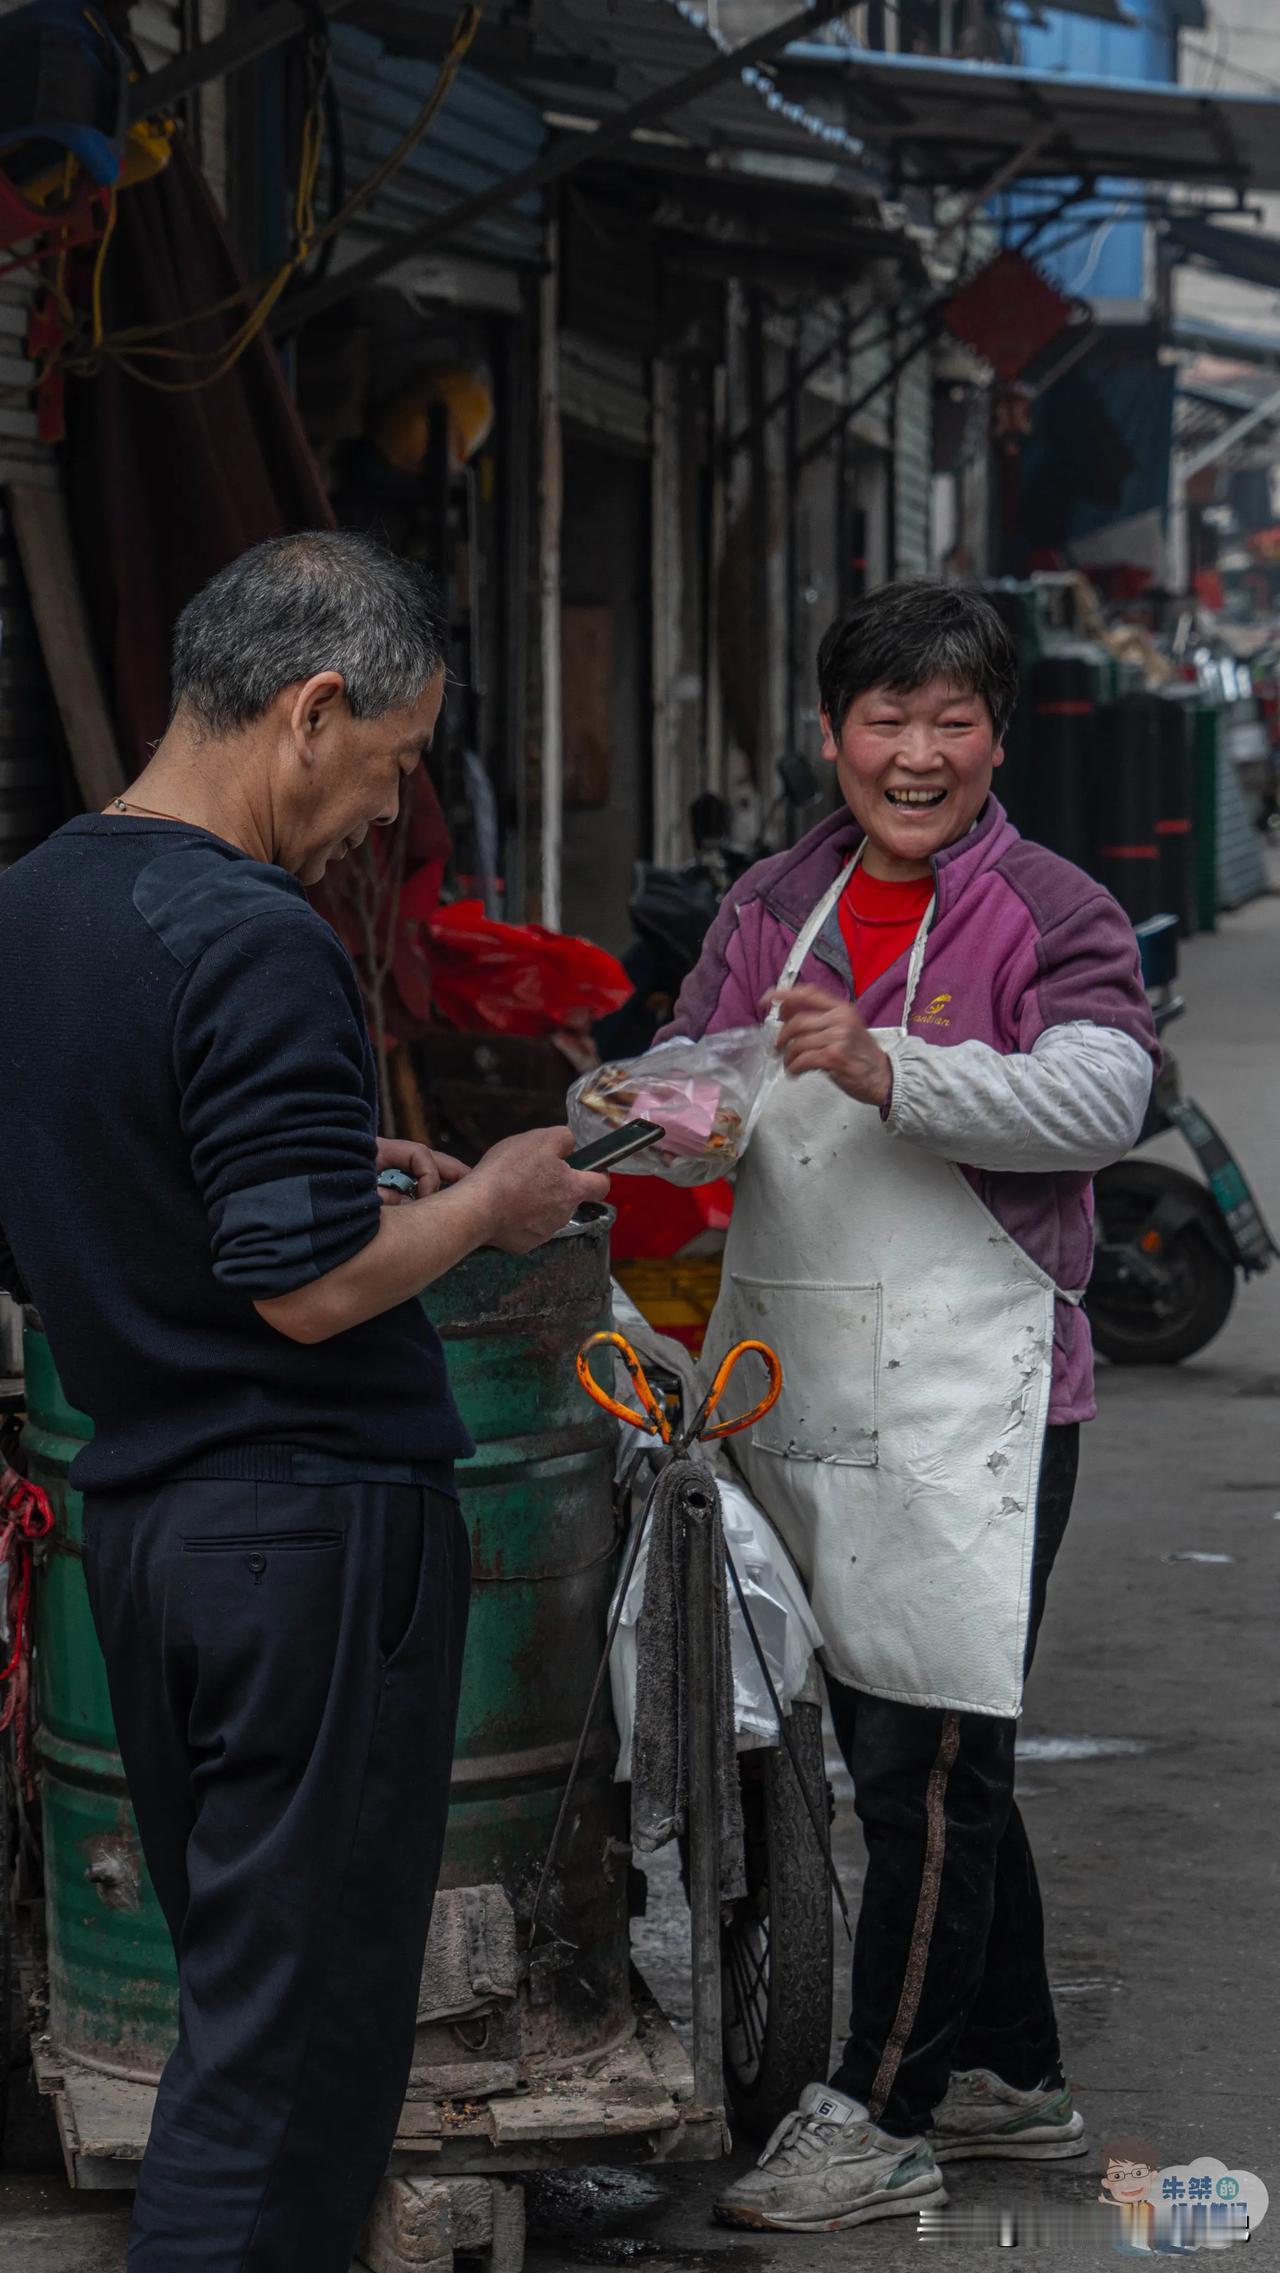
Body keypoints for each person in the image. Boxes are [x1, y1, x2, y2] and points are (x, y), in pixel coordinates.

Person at [0, 532, 608, 2271]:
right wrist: (489, 1201)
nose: (390, 809)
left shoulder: (35, 905)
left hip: (153, 1540)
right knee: (293, 2064)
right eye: (397, 761)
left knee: (246, 1997)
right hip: (306, 1545)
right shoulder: (252, 934)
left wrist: (335, 1162)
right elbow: (300, 1284)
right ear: (309, 709)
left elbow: (91, 1200)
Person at [660, 581, 1158, 2235]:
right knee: (908, 1745)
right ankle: (1012, 2073)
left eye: (954, 721)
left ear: (996, 736)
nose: (919, 753)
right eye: (888, 719)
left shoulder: (1052, 906)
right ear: (833, 734)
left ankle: (876, 2109)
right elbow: (702, 1072)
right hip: (800, 1386)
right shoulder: (772, 899)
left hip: (975, 1401)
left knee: (929, 1760)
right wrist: (648, 1114)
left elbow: (1107, 1086)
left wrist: (893, 1068)